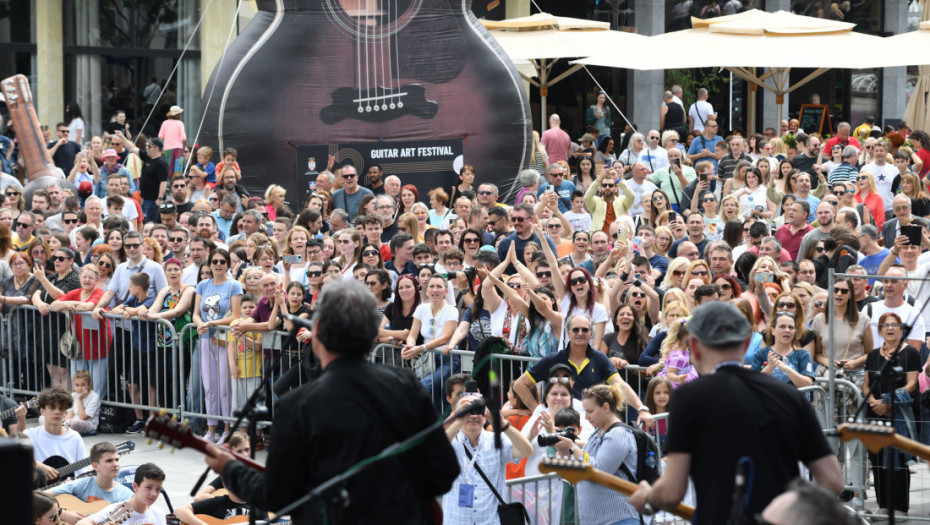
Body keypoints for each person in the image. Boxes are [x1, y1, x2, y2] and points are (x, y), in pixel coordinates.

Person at [204, 280, 460, 523]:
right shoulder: (406, 387)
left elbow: (278, 495)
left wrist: (232, 470)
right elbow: (443, 472)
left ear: (317, 332)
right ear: (372, 332)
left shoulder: (297, 405)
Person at [629, 302, 842, 524]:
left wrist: (649, 497)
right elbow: (832, 479)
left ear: (694, 345)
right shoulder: (789, 396)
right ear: (747, 342)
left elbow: (672, 491)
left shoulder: (690, 397)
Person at [441, 392, 533, 525]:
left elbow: (526, 451)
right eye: (467, 410)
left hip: (490, 521)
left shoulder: (497, 440)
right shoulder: (451, 440)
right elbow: (433, 451)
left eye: (477, 409)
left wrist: (501, 423)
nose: (472, 415)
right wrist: (458, 420)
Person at [16, 386, 88, 482]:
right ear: (42, 411)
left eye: (61, 408)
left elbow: (83, 472)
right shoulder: (30, 434)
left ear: (65, 413)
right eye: (52, 407)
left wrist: (73, 482)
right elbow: (14, 461)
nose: (57, 412)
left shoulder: (75, 437)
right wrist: (36, 464)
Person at [45, 441, 134, 508]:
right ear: (95, 466)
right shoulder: (82, 485)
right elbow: (39, 497)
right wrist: (62, 514)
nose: (115, 464)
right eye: (109, 461)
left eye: (117, 460)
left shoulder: (127, 495)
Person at [76, 463, 167, 525]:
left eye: (158, 489)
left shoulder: (158, 514)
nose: (154, 494)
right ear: (135, 487)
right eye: (148, 488)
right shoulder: (117, 510)